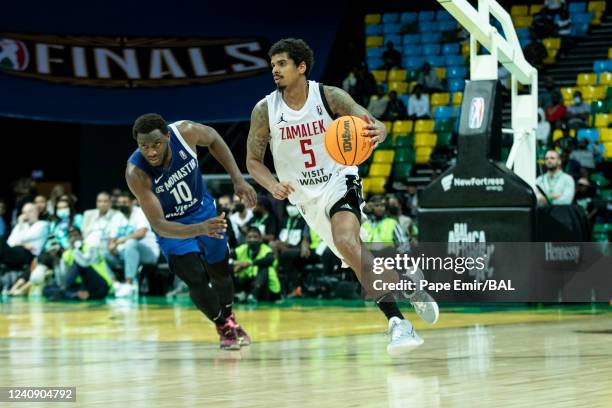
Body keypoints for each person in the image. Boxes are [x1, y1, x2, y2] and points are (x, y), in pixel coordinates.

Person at [245, 38, 439, 356]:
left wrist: (380, 130)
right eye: (273, 65)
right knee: (355, 256)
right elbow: (253, 160)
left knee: (348, 242)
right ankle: (404, 277)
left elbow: (368, 121)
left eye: (282, 64)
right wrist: (270, 184)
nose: (275, 70)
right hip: (305, 198)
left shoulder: (328, 95)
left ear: (301, 67)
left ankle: (399, 325)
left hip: (339, 179)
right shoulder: (265, 110)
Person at [126, 113, 257, 350]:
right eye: (144, 146)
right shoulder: (136, 173)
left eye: (156, 144)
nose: (151, 152)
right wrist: (198, 229)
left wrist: (237, 178)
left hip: (203, 211)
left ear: (167, 136)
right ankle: (223, 326)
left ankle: (229, 316)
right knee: (195, 278)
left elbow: (215, 139)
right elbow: (159, 225)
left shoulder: (185, 132)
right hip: (172, 226)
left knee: (220, 272)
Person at [106, 191, 160, 298]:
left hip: (148, 253)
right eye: (120, 203)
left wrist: (120, 241)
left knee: (131, 243)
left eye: (125, 202)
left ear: (132, 202)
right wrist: (111, 246)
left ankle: (129, 284)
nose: (122, 205)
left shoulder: (140, 212)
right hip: (125, 253)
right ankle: (115, 284)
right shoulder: (117, 217)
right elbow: (112, 239)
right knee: (101, 253)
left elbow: (141, 233)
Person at [232, 227, 281, 303]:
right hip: (249, 281)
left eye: (255, 237)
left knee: (264, 268)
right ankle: (239, 293)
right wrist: (238, 264)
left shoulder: (266, 249)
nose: (252, 239)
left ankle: (253, 295)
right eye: (249, 237)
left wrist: (250, 263)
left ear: (260, 239)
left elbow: (270, 260)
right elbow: (225, 258)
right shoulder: (242, 249)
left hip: (267, 288)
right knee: (229, 267)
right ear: (246, 239)